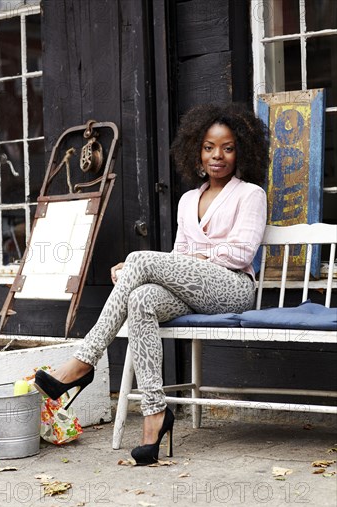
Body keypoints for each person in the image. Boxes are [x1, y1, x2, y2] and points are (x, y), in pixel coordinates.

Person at [34, 103, 269, 465]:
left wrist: (155, 264)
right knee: (141, 298)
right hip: (193, 291)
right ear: (197, 150)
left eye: (227, 147)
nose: (217, 156)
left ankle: (84, 360)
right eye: (208, 147)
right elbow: (179, 254)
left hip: (232, 288)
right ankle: (155, 415)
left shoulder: (250, 194)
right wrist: (143, 272)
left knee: (139, 260)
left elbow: (240, 253)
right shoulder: (189, 199)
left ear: (241, 151)